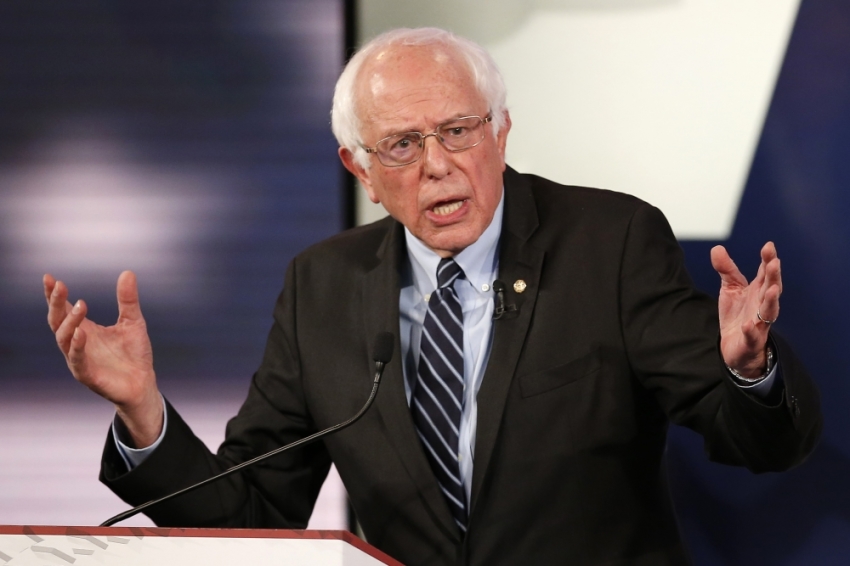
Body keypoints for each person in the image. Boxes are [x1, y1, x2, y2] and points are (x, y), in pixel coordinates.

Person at [44, 28, 820, 565]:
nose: (439, 165)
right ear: (360, 170)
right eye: (403, 145)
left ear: (503, 131)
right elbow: (252, 521)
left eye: (458, 130)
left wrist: (749, 372)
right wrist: (144, 412)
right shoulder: (323, 286)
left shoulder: (607, 243)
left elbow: (763, 446)